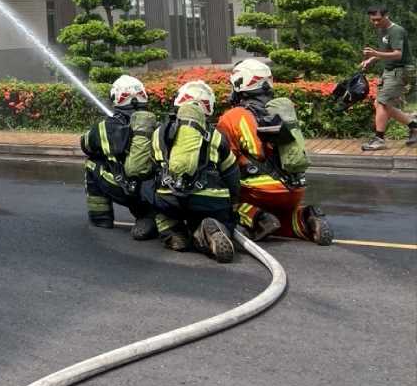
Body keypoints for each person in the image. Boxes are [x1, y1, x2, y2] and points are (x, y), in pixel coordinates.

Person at [217, 59, 332, 245]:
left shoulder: (232, 117)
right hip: (294, 188)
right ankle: (306, 219)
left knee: (221, 204)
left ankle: (257, 218)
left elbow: (222, 159)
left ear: (240, 83)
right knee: (284, 220)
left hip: (259, 191)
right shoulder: (281, 111)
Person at [146, 80, 239, 263]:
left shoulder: (159, 133)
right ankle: (209, 231)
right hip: (210, 200)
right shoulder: (216, 136)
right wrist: (233, 202)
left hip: (170, 198)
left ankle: (172, 231)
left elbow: (152, 168)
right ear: (208, 108)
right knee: (226, 219)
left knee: (150, 194)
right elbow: (231, 172)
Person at [80, 75, 159, 239]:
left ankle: (101, 218)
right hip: (156, 193)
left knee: (92, 164)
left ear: (116, 98)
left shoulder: (104, 127)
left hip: (127, 190)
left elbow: (85, 145)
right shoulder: (156, 123)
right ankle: (148, 216)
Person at [360, 7, 417, 150]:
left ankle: (379, 139)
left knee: (382, 103)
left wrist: (375, 53)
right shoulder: (381, 30)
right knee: (379, 105)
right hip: (389, 70)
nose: (375, 23)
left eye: (378, 19)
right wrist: (371, 59)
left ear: (387, 15)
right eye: (373, 20)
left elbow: (397, 54)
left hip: (401, 70)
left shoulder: (396, 30)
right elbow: (386, 51)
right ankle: (414, 126)